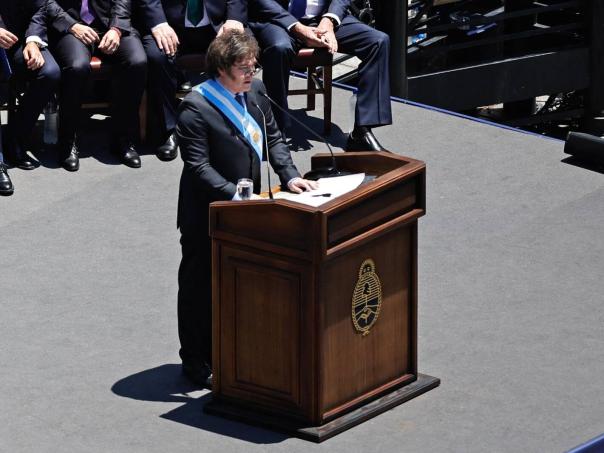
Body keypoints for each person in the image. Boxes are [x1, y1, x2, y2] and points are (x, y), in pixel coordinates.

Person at [176, 30, 316, 387]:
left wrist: (289, 176)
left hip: (247, 209)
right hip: (207, 212)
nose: (251, 73)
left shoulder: (256, 91)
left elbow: (274, 138)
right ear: (222, 69)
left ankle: (232, 352)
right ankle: (195, 360)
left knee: (240, 282)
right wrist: (237, 197)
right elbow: (199, 167)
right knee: (200, 288)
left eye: (253, 66)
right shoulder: (196, 107)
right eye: (244, 68)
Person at [248, 0, 392, 150]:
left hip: (322, 19)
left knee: (378, 41)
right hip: (281, 21)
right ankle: (275, 134)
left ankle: (361, 133)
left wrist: (329, 20)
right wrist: (297, 27)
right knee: (279, 48)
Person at [135, 0, 247, 161]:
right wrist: (158, 22)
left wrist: (234, 18)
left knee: (239, 50)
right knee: (157, 56)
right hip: (170, 25)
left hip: (216, 24)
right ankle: (168, 130)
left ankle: (232, 126)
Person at [47, 0, 147, 170]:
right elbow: (46, 2)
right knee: (77, 67)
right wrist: (71, 25)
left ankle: (123, 139)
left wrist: (116, 29)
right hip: (72, 27)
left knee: (136, 62)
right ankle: (68, 141)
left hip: (110, 25)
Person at [0, 0, 60, 173]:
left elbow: (39, 8)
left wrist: (33, 40)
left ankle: (15, 138)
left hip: (18, 39)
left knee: (49, 72)